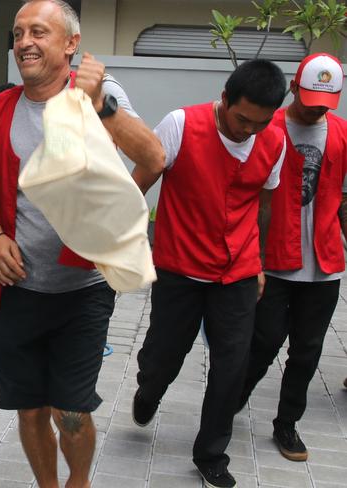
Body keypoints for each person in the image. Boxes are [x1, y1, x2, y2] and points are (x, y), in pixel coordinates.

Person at [0, 1, 164, 487]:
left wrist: (114, 216)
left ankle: (77, 484)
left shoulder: (97, 93)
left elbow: (154, 156)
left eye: (39, 31)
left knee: (71, 410)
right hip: (13, 289)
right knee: (31, 408)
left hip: (82, 290)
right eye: (18, 33)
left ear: (71, 44)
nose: (24, 42)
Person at [131, 59, 287, 488]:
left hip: (237, 272)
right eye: (241, 119)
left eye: (260, 122)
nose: (248, 131)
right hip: (179, 267)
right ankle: (149, 390)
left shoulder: (273, 141)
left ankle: (211, 453)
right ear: (224, 99)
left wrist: (258, 263)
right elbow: (137, 185)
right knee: (165, 356)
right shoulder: (181, 124)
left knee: (232, 365)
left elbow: (265, 204)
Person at [238, 53, 347, 463]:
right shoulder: (268, 129)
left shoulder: (341, 133)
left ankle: (286, 423)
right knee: (263, 343)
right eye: (310, 96)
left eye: (326, 100)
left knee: (308, 350)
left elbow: (344, 199)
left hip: (323, 265)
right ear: (294, 87)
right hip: (274, 260)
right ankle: (235, 397)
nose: (317, 106)